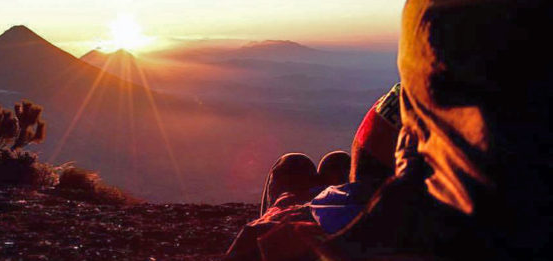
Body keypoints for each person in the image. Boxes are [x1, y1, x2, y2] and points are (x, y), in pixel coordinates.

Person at [226, 0, 552, 260]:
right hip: (446, 202)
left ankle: (316, 202)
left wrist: (324, 231)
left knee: (292, 174)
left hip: (437, 218)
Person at [225, 84, 402, 261]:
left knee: (294, 164)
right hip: (394, 208)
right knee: (337, 164)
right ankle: (350, 198)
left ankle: (341, 201)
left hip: (329, 229)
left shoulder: (276, 238)